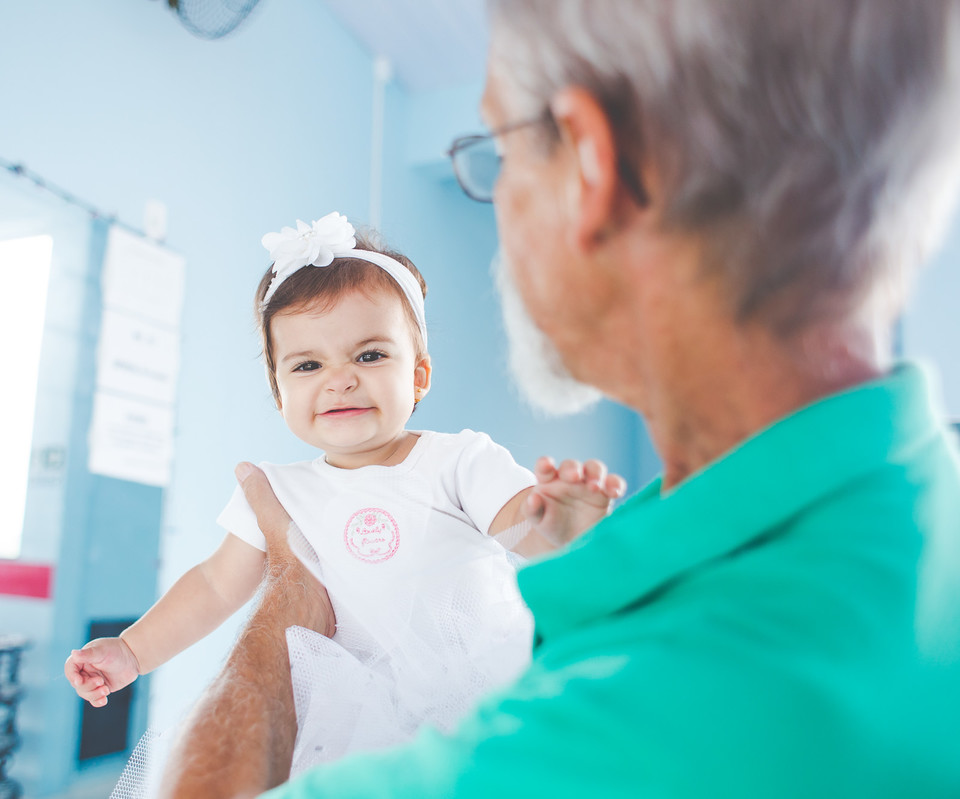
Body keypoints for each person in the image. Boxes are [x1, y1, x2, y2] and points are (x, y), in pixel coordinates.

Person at [156, 1, 960, 797]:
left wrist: (290, 598)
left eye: (499, 149)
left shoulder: (640, 725)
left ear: (591, 170)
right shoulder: (885, 530)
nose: (498, 199)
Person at [65, 211, 626, 776]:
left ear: (420, 375)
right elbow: (214, 585)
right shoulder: (280, 490)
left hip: (475, 694)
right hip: (348, 720)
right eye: (308, 364)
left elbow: (522, 529)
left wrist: (562, 526)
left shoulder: (456, 459)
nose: (340, 379)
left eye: (370, 355)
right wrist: (134, 650)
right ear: (278, 393)